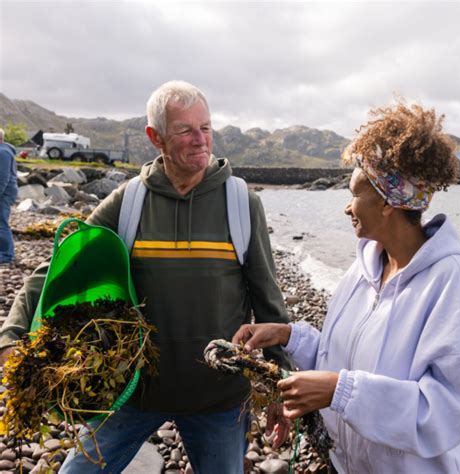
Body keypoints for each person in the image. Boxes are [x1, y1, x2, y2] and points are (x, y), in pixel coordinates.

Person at [0, 81, 291, 473]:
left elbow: (268, 300)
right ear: (155, 137)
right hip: (132, 392)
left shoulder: (241, 203)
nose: (200, 140)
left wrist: (281, 387)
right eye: (184, 130)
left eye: (205, 127)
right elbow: (58, 265)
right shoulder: (128, 201)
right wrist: (12, 334)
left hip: (218, 399)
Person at [233, 102, 460, 473]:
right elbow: (340, 361)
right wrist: (288, 336)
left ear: (389, 202)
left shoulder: (449, 281)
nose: (347, 208)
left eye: (355, 194)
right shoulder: (363, 268)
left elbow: (444, 413)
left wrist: (340, 392)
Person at [0, 128, 18, 264]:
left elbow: (3, 177)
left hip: (4, 193)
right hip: (5, 192)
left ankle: (7, 255)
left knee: (2, 223)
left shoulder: (3, 152)